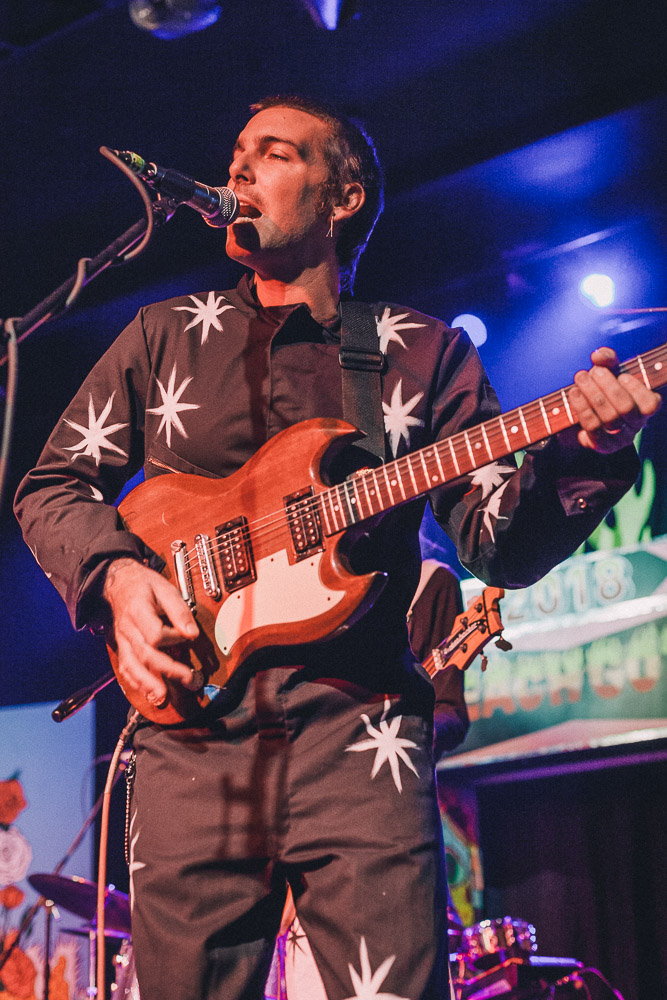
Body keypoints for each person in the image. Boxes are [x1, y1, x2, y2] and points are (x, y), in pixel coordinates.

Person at [14, 95, 660, 1000]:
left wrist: (587, 451)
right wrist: (118, 576)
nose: (238, 170)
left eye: (274, 154)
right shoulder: (164, 337)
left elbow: (497, 546)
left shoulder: (422, 355)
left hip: (362, 739)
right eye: (236, 154)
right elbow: (50, 486)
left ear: (342, 197)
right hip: (191, 741)